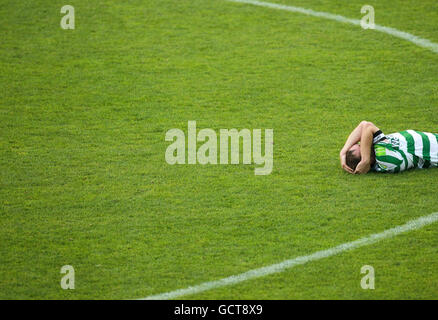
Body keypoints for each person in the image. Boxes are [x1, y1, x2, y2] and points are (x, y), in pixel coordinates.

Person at [339, 121, 438, 174]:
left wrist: (343, 152)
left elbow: (363, 125)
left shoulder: (375, 150)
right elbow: (367, 126)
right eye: (361, 148)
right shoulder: (384, 159)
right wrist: (365, 160)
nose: (363, 142)